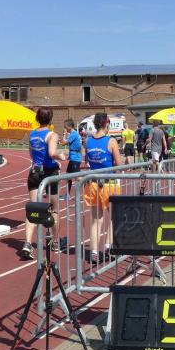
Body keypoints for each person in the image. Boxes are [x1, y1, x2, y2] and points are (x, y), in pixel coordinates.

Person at [20, 107, 66, 260]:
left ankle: (27, 243)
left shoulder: (32, 134)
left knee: (33, 209)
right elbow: (52, 153)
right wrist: (60, 156)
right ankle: (55, 242)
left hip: (35, 172)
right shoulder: (52, 135)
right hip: (49, 173)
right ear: (51, 119)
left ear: (37, 119)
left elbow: (31, 154)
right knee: (54, 210)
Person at [85, 112, 123, 263]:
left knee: (96, 220)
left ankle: (94, 252)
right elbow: (119, 165)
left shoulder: (88, 141)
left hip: (93, 183)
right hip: (109, 184)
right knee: (114, 216)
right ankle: (108, 246)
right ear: (106, 124)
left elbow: (87, 160)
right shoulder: (111, 141)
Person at [63, 118, 82, 197]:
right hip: (73, 158)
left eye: (65, 127)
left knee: (77, 177)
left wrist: (64, 134)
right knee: (68, 175)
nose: (65, 128)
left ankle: (85, 191)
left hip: (75, 159)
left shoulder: (73, 134)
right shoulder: (74, 134)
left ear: (70, 126)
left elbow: (64, 143)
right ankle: (67, 194)